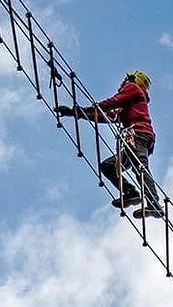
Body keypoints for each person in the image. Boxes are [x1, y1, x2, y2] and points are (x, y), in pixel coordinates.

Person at [55, 70, 163, 219]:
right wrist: (76, 113)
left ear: (132, 79)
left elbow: (111, 103)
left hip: (138, 135)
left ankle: (154, 204)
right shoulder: (129, 103)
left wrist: (83, 110)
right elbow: (107, 116)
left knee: (140, 167)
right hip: (137, 138)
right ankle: (131, 193)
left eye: (125, 79)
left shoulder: (132, 88)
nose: (122, 82)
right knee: (108, 166)